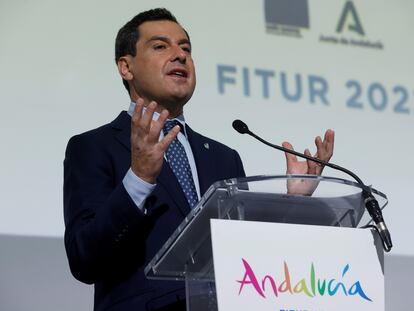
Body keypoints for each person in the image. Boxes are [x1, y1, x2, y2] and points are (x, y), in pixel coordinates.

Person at [63, 8, 334, 311]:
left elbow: (246, 256)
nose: (180, 56)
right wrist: (138, 179)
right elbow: (83, 258)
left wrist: (291, 204)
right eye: (161, 46)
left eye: (186, 48)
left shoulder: (224, 158)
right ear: (126, 67)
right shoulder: (93, 146)